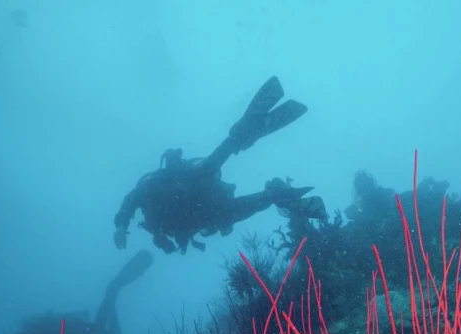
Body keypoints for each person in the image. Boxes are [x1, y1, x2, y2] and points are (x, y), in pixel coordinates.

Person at [113, 77, 326, 255]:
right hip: (202, 206)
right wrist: (126, 227)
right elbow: (132, 202)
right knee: (226, 201)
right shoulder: (156, 208)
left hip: (196, 195)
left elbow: (131, 199)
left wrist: (121, 226)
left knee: (225, 199)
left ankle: (265, 181)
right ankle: (271, 189)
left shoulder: (151, 189)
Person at [8, 250, 154, 334]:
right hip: (77, 333)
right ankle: (112, 290)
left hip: (76, 332)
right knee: (108, 330)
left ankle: (112, 290)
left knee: (113, 333)